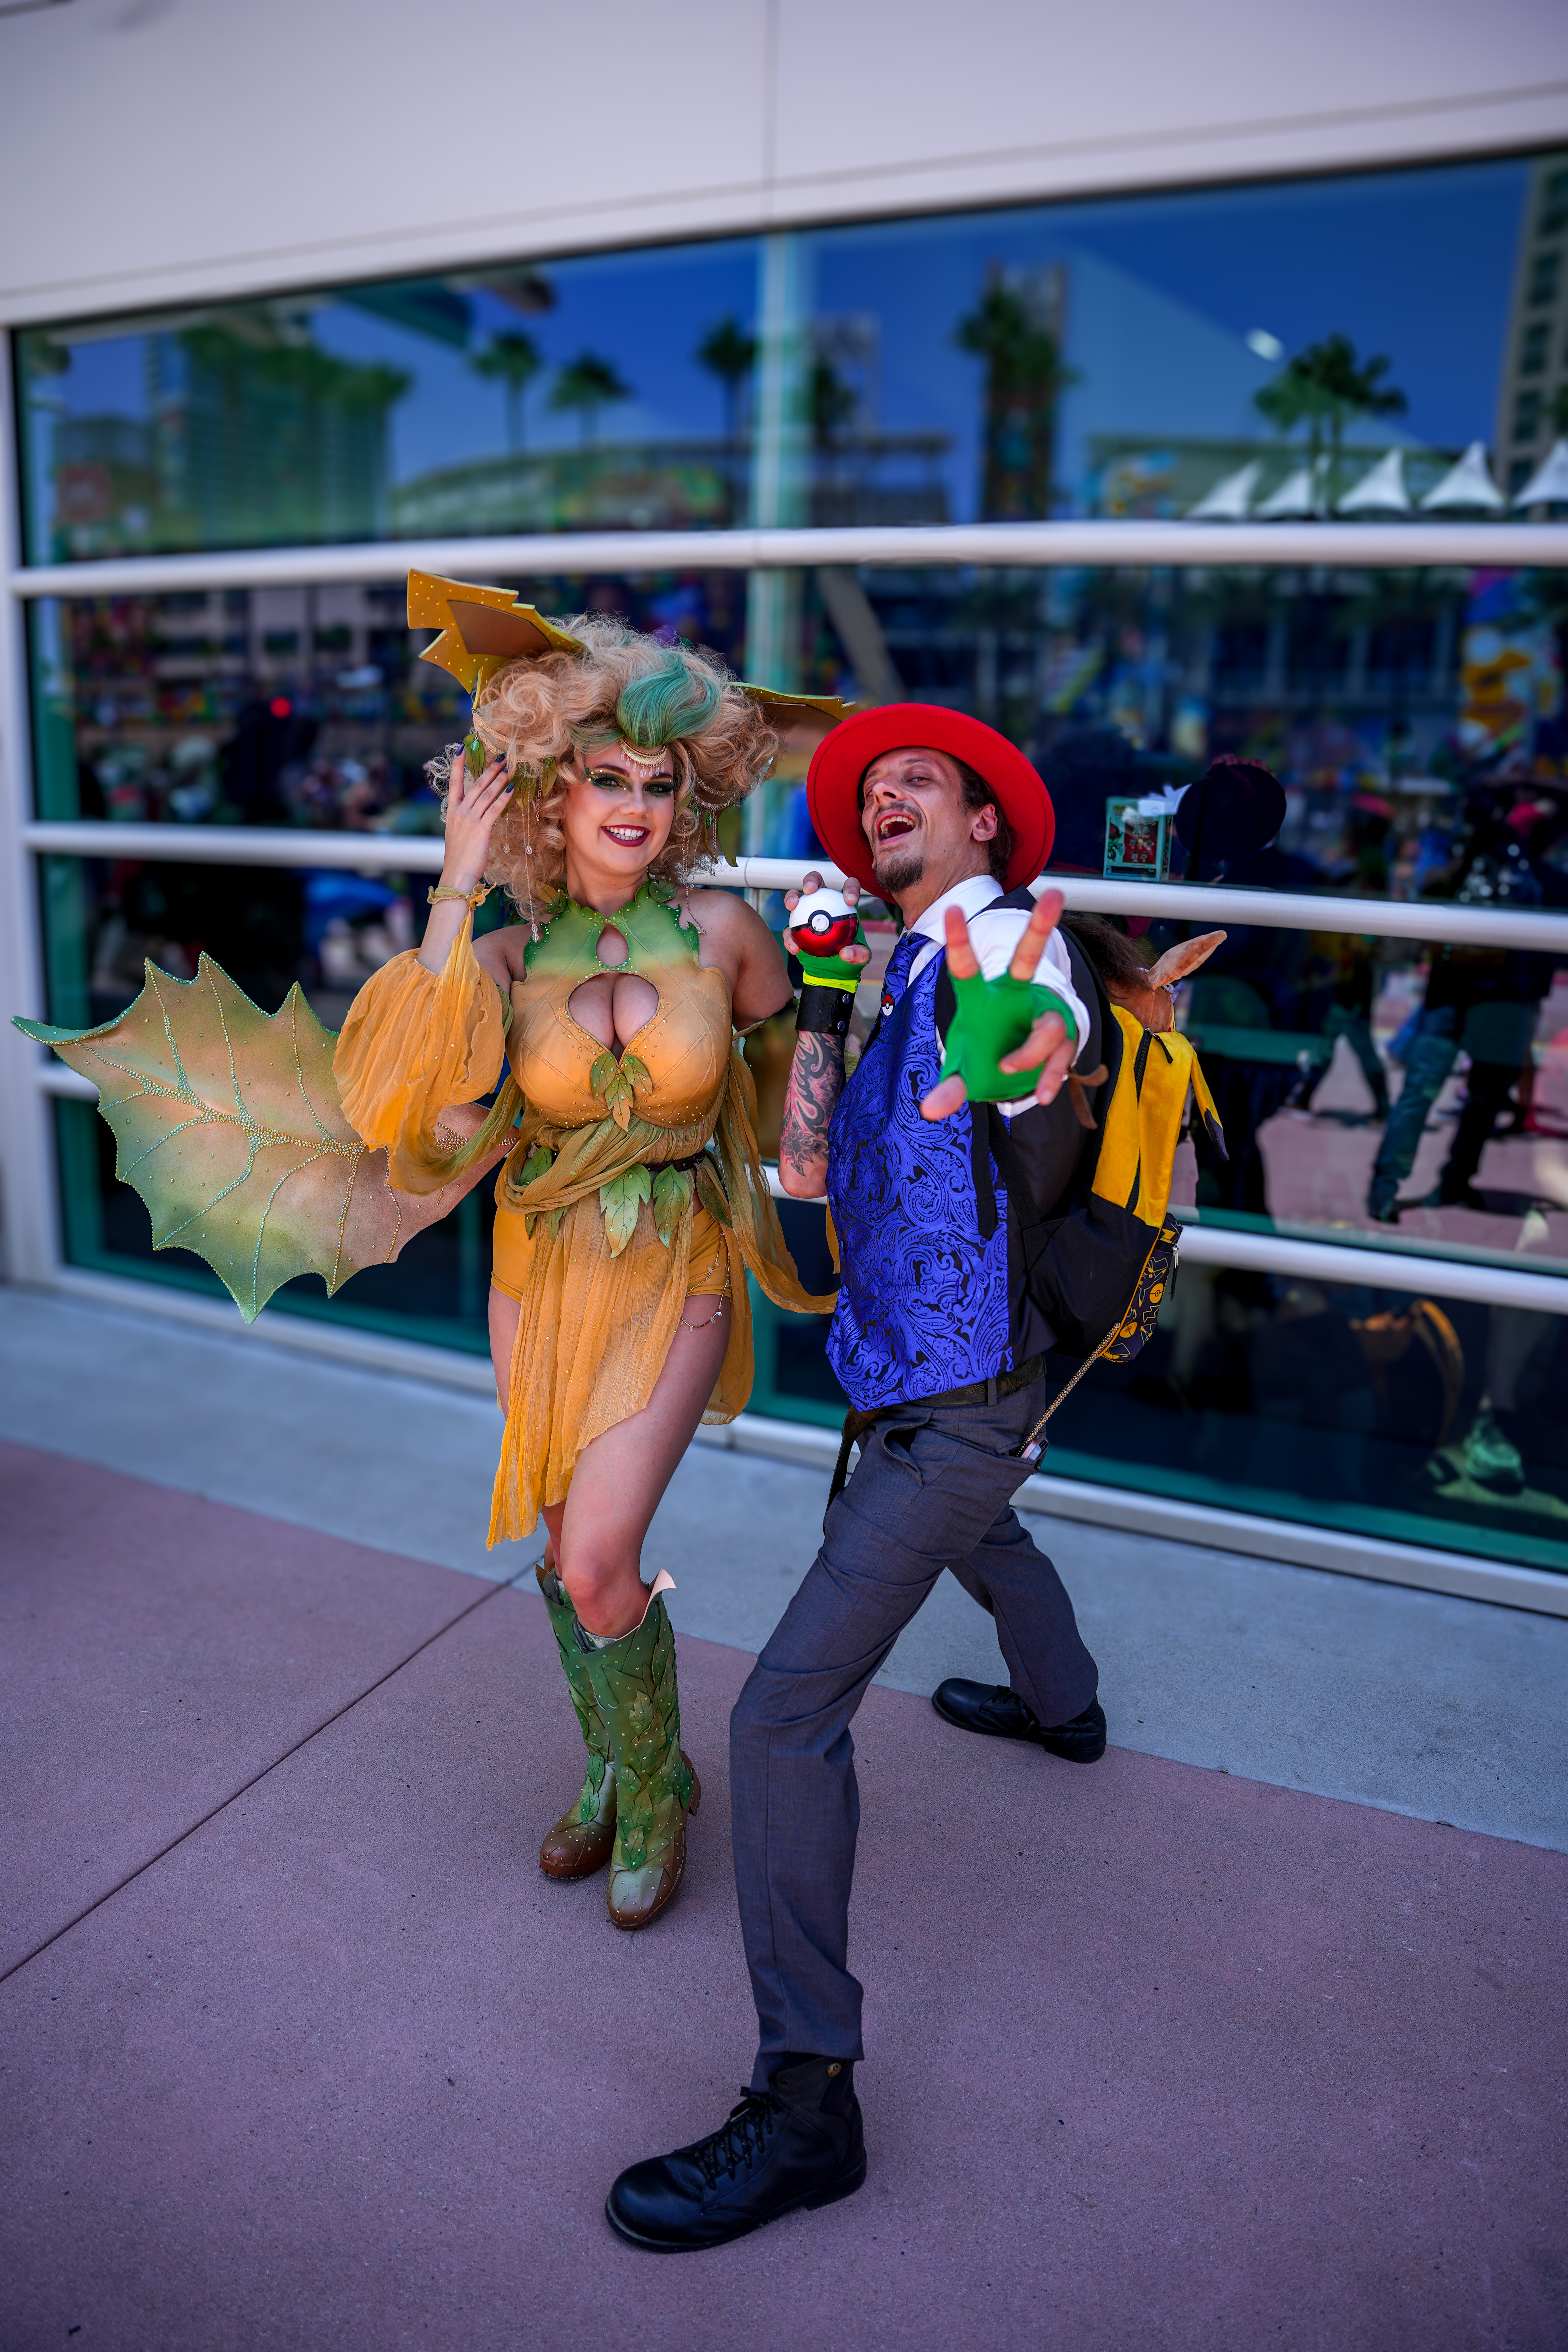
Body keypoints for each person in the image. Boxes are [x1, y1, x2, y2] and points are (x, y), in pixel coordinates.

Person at [27, 576, 838, 1938]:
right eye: (600, 781)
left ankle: (649, 1791)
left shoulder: (724, 936)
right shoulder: (506, 955)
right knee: (550, 1534)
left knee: (599, 1557)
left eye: (653, 781)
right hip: (538, 1265)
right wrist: (454, 888)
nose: (632, 805)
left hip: (673, 1261)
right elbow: (414, 1111)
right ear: (551, 799)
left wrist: (825, 1002)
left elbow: (795, 1114)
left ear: (683, 798)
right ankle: (621, 1760)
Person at [606, 704, 1129, 2248]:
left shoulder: (1003, 945)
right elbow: (814, 1180)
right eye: (872, 788)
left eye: (924, 786)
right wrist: (826, 996)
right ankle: (1067, 1706)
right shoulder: (892, 958)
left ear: (986, 829)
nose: (889, 799)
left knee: (778, 1722)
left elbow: (1039, 1042)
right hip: (906, 1382)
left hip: (955, 1398)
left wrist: (1032, 1042)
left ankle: (806, 2098)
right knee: (985, 1534)